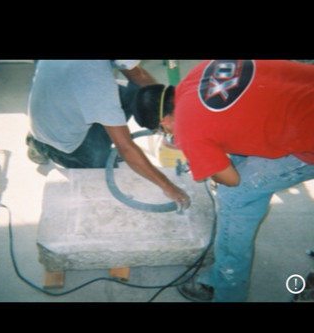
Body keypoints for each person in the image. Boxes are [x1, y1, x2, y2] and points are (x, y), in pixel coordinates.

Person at [133, 59, 314, 303]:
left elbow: (232, 180)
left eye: (164, 132)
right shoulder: (201, 70)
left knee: (235, 198)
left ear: (163, 122)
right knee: (240, 160)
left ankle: (226, 290)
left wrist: (210, 166)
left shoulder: (188, 130)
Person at [27, 60, 190, 211]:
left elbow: (138, 75)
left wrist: (168, 107)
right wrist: (169, 187)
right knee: (101, 167)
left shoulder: (96, 84)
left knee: (134, 92)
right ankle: (40, 146)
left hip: (60, 102)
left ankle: (40, 136)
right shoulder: (98, 84)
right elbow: (126, 149)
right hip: (60, 135)